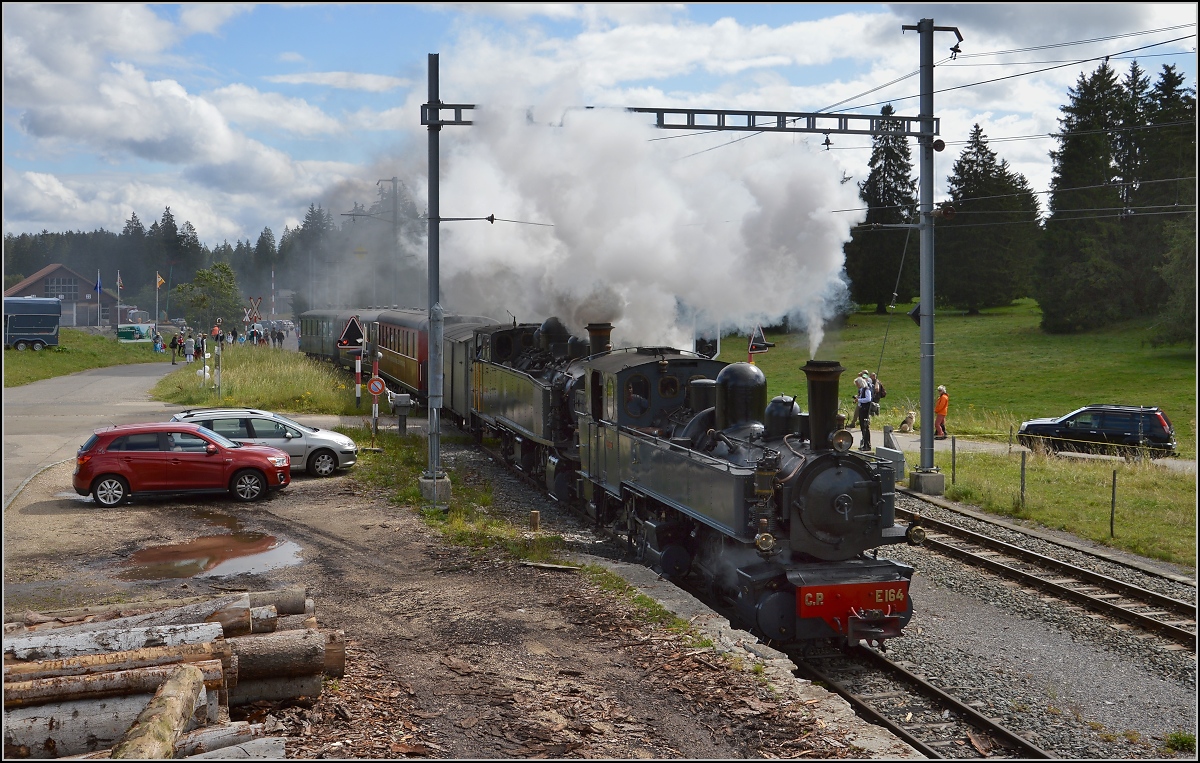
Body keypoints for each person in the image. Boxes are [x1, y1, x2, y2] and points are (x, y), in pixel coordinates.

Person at [856, 371, 874, 450]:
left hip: (865, 410)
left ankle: (867, 445)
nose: (857, 386)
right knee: (862, 427)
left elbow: (868, 399)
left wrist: (859, 400)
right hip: (862, 409)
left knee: (865, 427)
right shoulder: (862, 390)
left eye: (857, 384)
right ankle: (864, 444)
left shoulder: (866, 389)